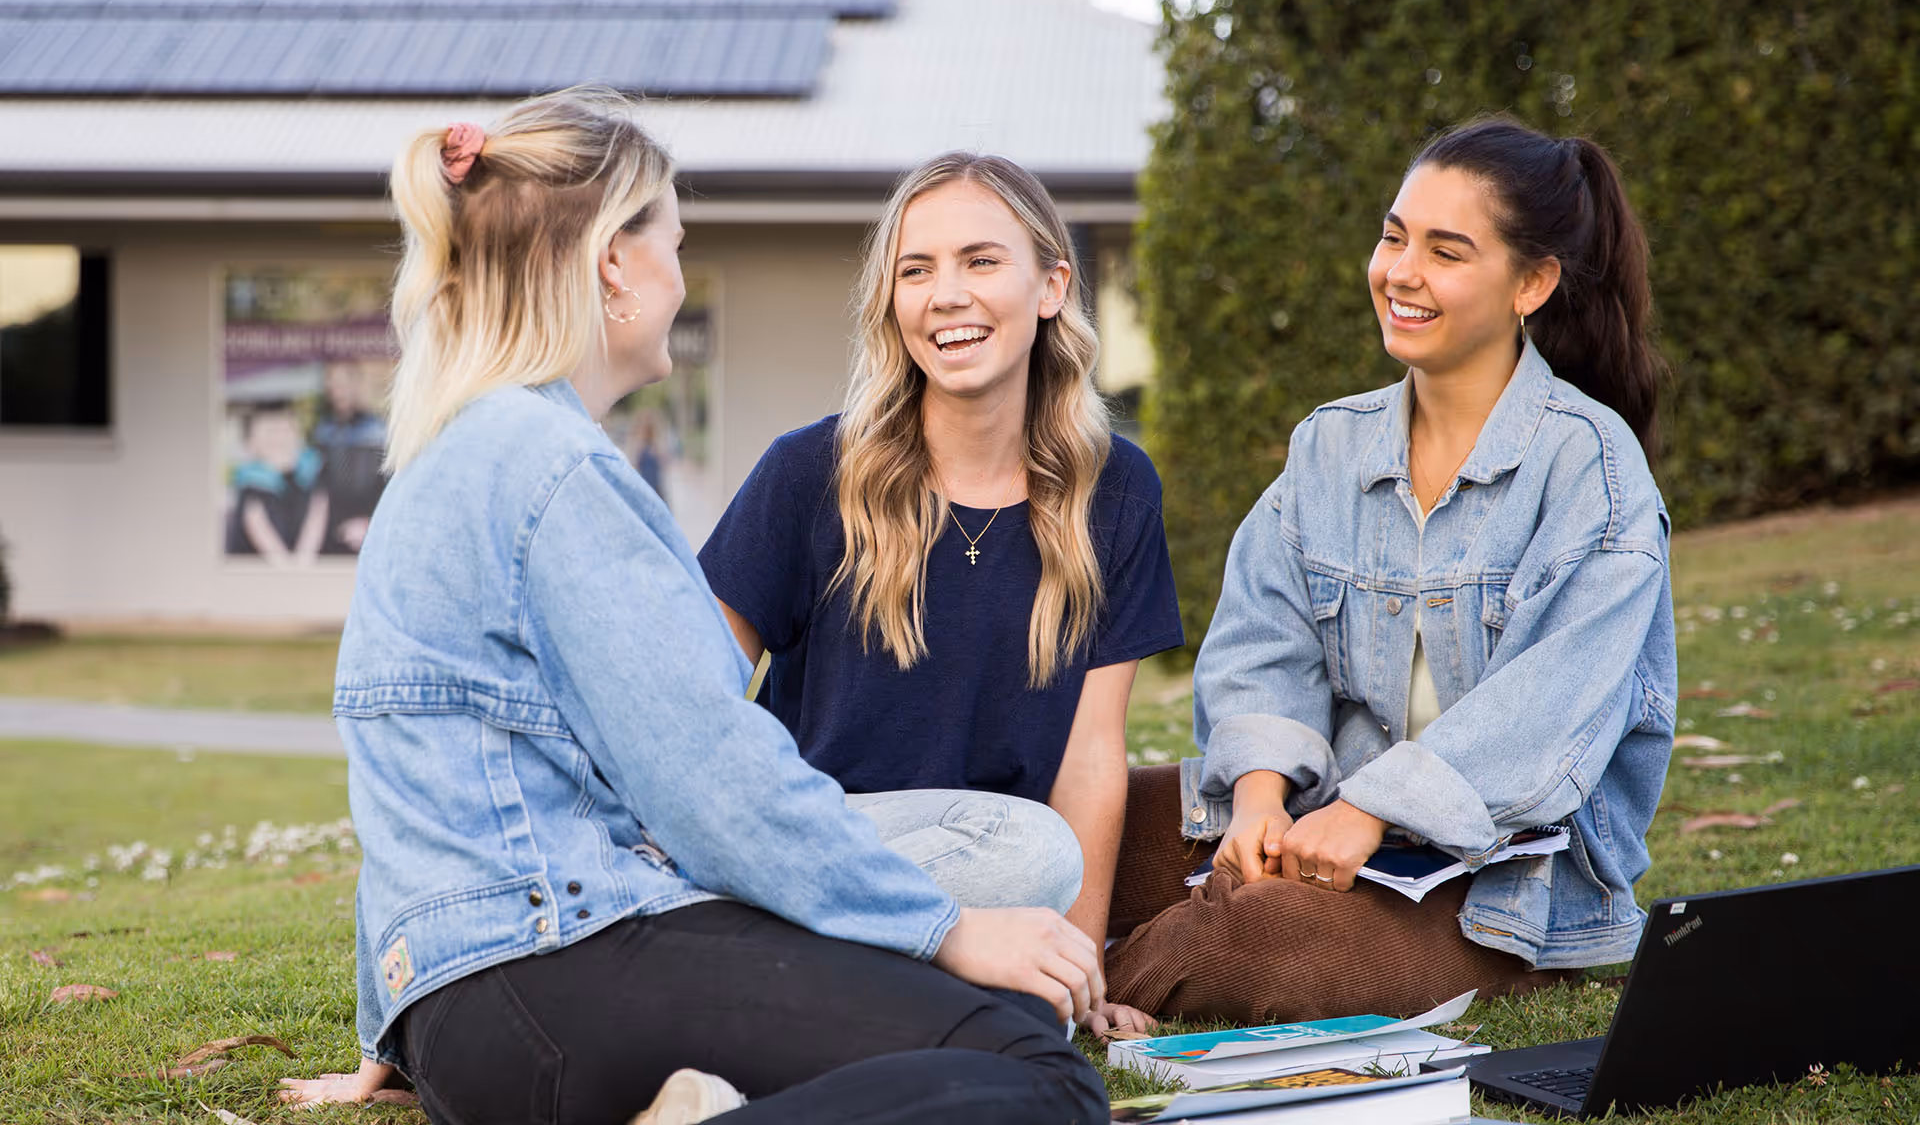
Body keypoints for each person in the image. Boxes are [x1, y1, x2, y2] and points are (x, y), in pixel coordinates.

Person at [278, 90, 1110, 1125]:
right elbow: (711, 774)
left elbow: (406, 786)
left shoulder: (450, 454)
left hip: (475, 1015)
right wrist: (946, 926)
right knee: (1039, 1070)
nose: (679, 277)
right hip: (564, 973)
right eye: (674, 240)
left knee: (966, 989)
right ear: (616, 263)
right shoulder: (555, 470)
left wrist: (390, 1021)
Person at [1104, 117, 1677, 1023]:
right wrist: (1258, 798)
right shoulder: (1330, 444)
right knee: (1079, 827)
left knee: (1240, 939)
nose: (1401, 271)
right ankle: (1114, 942)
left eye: (1447, 251)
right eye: (1393, 235)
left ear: (1531, 283)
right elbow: (1264, 637)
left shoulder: (1593, 470)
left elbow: (1546, 720)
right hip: (1322, 816)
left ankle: (1076, 976)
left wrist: (1369, 811)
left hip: (1502, 889)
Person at [697, 154, 1185, 1034]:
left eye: (980, 261)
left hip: (988, 872)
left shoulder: (1117, 492)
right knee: (1035, 851)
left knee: (1049, 851)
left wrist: (1081, 971)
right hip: (805, 847)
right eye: (915, 270)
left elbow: (1090, 757)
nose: (945, 294)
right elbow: (687, 704)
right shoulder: (811, 473)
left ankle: (836, 976)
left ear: (1050, 287)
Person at [225, 401, 328, 565]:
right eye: (270, 431)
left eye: (285, 429)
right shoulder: (251, 484)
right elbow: (273, 552)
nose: (279, 437)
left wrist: (302, 568)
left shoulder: (312, 472)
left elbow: (316, 519)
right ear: (252, 444)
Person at [313, 360, 389, 555]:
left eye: (344, 384)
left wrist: (368, 522)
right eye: (333, 385)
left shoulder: (378, 432)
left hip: (371, 530)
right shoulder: (324, 431)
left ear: (357, 385)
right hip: (328, 534)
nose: (338, 391)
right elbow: (319, 489)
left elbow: (388, 486)